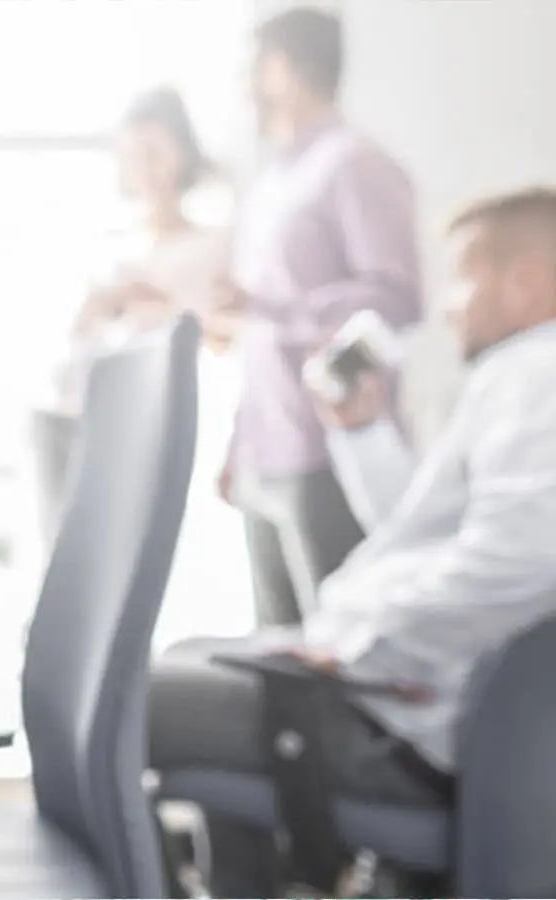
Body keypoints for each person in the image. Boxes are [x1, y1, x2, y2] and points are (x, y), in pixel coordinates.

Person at [149, 186, 556, 897]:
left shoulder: (540, 374)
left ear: (527, 281)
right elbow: (424, 536)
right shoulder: (517, 380)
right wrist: (361, 430)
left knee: (123, 699)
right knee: (185, 662)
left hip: (395, 728)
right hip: (392, 703)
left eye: (465, 275)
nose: (448, 304)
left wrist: (352, 647)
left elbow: (524, 558)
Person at [219, 7, 423, 627]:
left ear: (282, 69)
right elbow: (256, 332)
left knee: (333, 657)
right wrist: (238, 443)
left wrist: (270, 307)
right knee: (272, 663)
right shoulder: (272, 180)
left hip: (329, 458)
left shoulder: (354, 164)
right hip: (266, 453)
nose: (241, 85)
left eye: (249, 68)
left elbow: (395, 299)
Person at [52, 86, 252, 646]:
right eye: (133, 154)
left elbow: (226, 339)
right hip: (98, 432)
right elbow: (74, 354)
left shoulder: (214, 245)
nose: (146, 168)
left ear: (183, 153)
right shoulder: (110, 246)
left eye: (156, 151)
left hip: (175, 428)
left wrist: (157, 303)